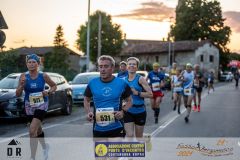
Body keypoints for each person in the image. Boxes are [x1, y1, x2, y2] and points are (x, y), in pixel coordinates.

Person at [16, 54, 57, 160]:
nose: (31, 64)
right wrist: (21, 85)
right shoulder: (23, 76)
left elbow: (54, 86)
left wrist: (48, 92)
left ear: (38, 64)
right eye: (29, 62)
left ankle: (32, 157)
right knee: (38, 130)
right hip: (29, 105)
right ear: (26, 64)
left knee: (32, 130)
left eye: (34, 62)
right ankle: (45, 147)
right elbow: (17, 94)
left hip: (42, 104)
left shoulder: (43, 76)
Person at [84, 55, 132, 138]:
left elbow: (130, 101)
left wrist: (123, 112)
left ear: (112, 68)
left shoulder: (121, 83)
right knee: (101, 151)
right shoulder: (92, 83)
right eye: (100, 66)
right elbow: (86, 99)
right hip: (98, 129)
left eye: (106, 66)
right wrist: (88, 112)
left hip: (117, 127)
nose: (102, 69)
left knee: (115, 151)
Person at [124, 57, 153, 138]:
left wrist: (137, 93)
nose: (132, 65)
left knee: (139, 137)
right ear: (127, 66)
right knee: (129, 135)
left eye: (134, 64)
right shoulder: (123, 80)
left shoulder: (141, 79)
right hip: (128, 111)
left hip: (140, 111)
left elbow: (150, 94)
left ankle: (146, 138)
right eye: (130, 64)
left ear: (137, 67)